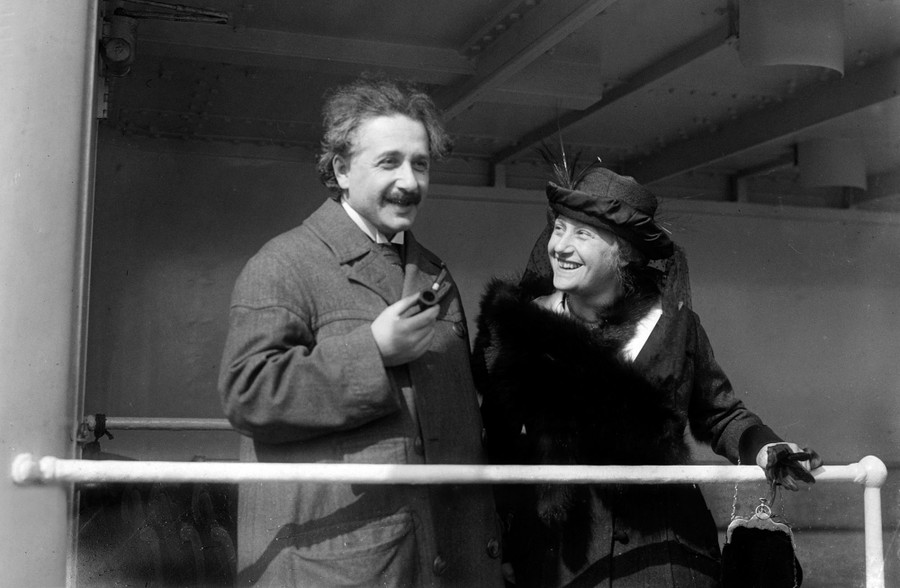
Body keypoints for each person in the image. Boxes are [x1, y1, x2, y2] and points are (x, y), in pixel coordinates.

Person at [472, 163, 822, 587]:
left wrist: (767, 447)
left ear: (625, 254)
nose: (560, 246)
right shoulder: (518, 329)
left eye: (582, 235)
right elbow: (498, 444)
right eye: (559, 229)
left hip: (668, 559)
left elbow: (722, 415)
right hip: (561, 563)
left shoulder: (675, 327)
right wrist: (508, 545)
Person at [219, 76, 504, 587]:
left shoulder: (434, 271)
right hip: (345, 564)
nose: (410, 181)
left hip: (443, 556)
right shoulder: (286, 263)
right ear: (341, 170)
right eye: (389, 162)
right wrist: (372, 350)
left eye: (420, 163)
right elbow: (247, 393)